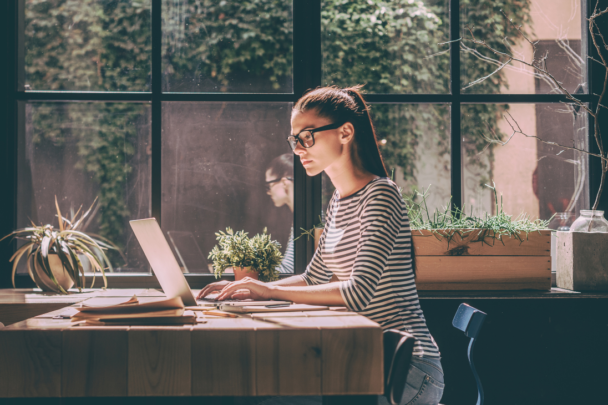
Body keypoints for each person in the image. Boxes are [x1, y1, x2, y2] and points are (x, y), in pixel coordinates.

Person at [199, 85, 444, 405]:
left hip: (405, 368)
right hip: (364, 356)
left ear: (345, 133)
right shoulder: (338, 202)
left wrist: (268, 291)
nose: (298, 148)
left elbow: (357, 294)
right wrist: (249, 288)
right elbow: (312, 277)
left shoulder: (381, 195)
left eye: (308, 136)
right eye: (294, 138)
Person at [265, 154, 294, 273]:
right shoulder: (300, 218)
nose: (268, 192)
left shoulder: (305, 220)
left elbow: (289, 270)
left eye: (269, 185)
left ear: (284, 182)